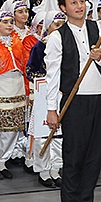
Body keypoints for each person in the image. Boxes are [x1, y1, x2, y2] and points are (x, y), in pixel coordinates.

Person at [45, 0, 101, 202]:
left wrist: (100, 56)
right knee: (73, 157)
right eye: (73, 3)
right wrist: (52, 109)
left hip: (100, 100)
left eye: (82, 1)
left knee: (95, 158)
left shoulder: (100, 28)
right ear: (64, 8)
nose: (79, 6)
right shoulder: (57, 37)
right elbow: (52, 75)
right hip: (75, 102)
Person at [26, 11, 65, 188]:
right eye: (56, 25)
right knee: (43, 133)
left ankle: (56, 168)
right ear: (48, 26)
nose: (60, 28)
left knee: (59, 135)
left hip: (62, 93)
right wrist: (43, 79)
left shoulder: (67, 44)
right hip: (44, 94)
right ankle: (42, 169)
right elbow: (30, 70)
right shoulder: (39, 46)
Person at [0, 11, 27, 179]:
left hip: (17, 85)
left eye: (11, 21)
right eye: (5, 22)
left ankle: (3, 160)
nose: (9, 25)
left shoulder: (18, 41)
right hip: (0, 85)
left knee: (12, 128)